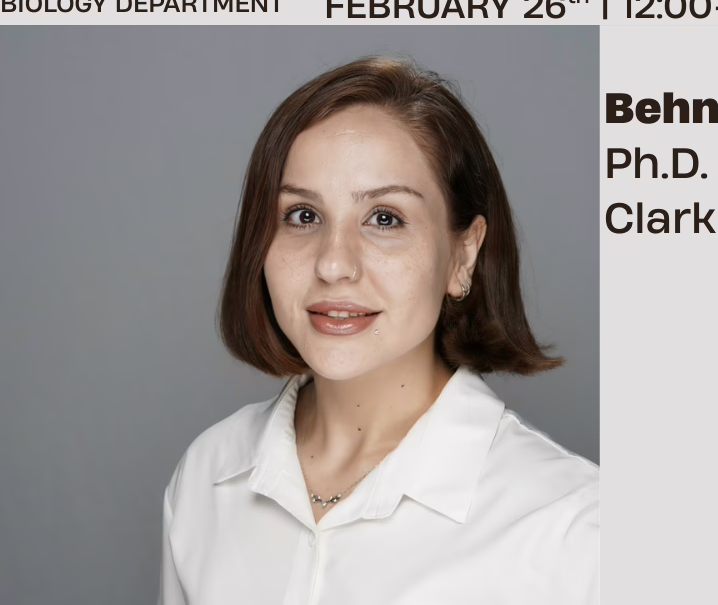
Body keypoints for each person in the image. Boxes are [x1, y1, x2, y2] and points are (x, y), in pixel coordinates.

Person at [158, 57, 599, 604]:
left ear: (463, 253)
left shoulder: (572, 526)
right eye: (301, 215)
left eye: (385, 218)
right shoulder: (208, 475)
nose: (334, 264)